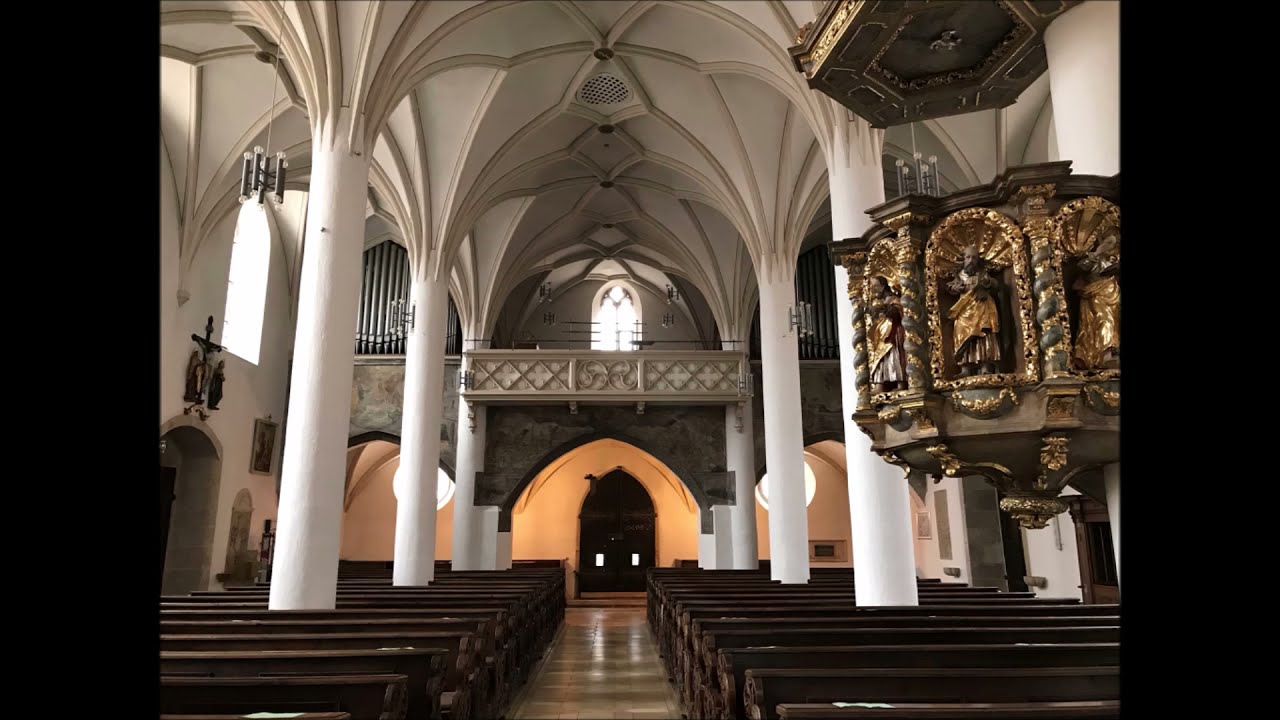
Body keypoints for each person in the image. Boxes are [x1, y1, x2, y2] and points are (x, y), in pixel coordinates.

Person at [945, 245, 1003, 377]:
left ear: (978, 260)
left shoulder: (983, 275)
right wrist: (956, 288)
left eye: (974, 258)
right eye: (968, 257)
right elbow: (950, 287)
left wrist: (987, 284)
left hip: (982, 307)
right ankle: (966, 368)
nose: (971, 260)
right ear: (963, 259)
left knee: (983, 335)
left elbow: (995, 285)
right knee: (962, 336)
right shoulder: (959, 276)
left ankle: (985, 366)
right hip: (964, 311)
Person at [1071, 234, 1120, 371]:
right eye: (1108, 243)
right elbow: (1082, 267)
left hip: (1113, 296)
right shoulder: (1094, 259)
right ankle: (1107, 354)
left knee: (1114, 323)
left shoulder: (1113, 261)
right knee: (1104, 320)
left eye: (1113, 244)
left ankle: (1109, 352)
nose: (1111, 247)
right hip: (1096, 295)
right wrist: (1098, 253)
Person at [867, 276, 907, 392]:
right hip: (881, 336)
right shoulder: (879, 302)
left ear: (883, 287)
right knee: (882, 359)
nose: (873, 290)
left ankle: (901, 384)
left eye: (875, 286)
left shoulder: (894, 299)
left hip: (893, 334)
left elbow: (897, 314)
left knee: (896, 357)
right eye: (871, 287)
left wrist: (884, 308)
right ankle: (880, 384)